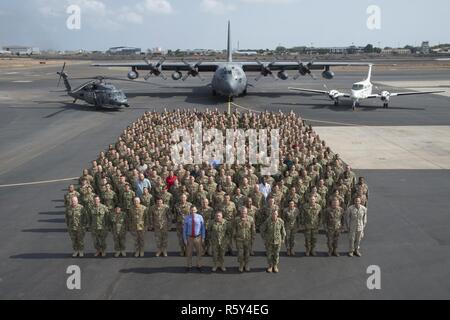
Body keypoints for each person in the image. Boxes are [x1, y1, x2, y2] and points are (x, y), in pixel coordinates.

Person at [183, 206, 206, 272]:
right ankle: (189, 266)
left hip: (198, 237)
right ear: (190, 210)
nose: (193, 211)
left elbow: (202, 228)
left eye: (194, 210)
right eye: (192, 210)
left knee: (199, 252)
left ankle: (199, 266)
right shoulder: (187, 218)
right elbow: (184, 229)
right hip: (189, 238)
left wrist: (203, 237)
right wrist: (185, 239)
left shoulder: (200, 217)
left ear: (196, 210)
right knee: (189, 253)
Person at [233, 207, 255, 273]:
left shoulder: (250, 219)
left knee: (247, 253)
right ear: (240, 212)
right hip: (239, 239)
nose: (243, 213)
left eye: (245, 212)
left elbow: (253, 229)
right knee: (240, 254)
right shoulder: (236, 219)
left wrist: (253, 238)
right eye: (242, 212)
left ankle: (246, 265)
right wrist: (234, 238)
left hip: (248, 240)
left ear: (247, 212)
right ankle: (241, 265)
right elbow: (234, 229)